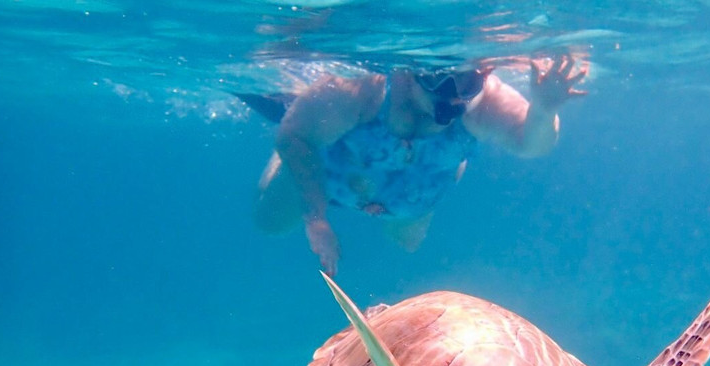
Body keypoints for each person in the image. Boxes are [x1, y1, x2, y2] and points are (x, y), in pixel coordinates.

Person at [243, 56, 587, 274]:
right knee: (269, 222)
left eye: (465, 83)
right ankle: (294, 133)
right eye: (437, 77)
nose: (449, 97)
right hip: (330, 172)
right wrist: (316, 218)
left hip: (414, 193)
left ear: (485, 71)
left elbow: (532, 146)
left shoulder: (487, 102)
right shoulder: (365, 87)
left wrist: (543, 110)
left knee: (406, 245)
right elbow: (295, 137)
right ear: (411, 69)